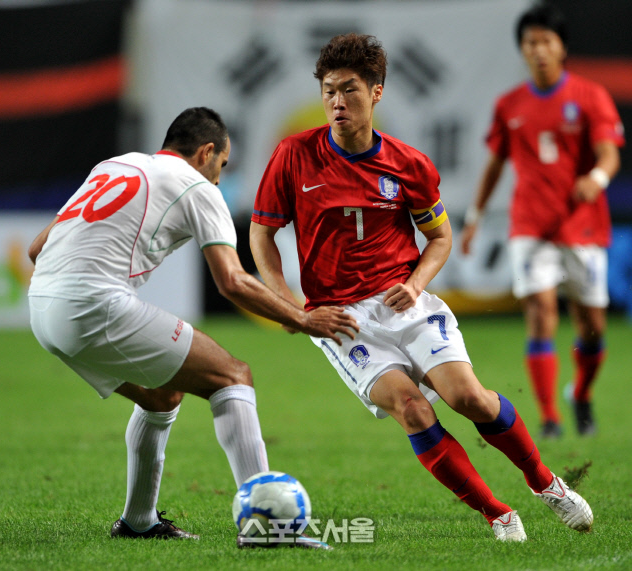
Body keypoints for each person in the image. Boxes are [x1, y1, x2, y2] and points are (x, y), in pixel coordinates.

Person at [250, 33, 594, 542]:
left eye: (349, 90)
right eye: (328, 91)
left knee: (468, 398)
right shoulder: (294, 155)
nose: (337, 102)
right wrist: (294, 306)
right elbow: (262, 233)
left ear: (377, 92)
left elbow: (439, 236)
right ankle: (498, 514)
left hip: (403, 302)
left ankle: (546, 484)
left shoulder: (408, 164)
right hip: (341, 319)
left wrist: (415, 284)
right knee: (412, 408)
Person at [27, 107, 358, 547]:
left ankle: (138, 522)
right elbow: (233, 281)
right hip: (93, 305)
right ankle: (267, 529)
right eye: (221, 165)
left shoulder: (115, 165)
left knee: (161, 395)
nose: (220, 179)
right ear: (206, 152)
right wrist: (301, 317)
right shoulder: (197, 187)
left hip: (42, 309)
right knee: (232, 375)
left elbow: (36, 248)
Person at [461, 4, 624, 438]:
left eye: (546, 41)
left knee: (592, 326)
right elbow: (495, 164)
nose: (539, 50)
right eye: (531, 42)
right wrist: (474, 218)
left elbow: (610, 151)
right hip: (530, 226)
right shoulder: (510, 105)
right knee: (541, 311)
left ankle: (581, 393)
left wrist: (596, 177)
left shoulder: (590, 97)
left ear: (562, 47)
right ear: (522, 49)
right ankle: (550, 417)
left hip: (581, 225)